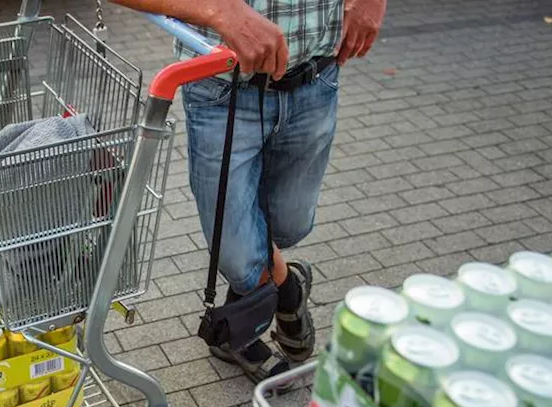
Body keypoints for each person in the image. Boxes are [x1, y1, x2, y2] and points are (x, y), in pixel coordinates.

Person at [111, 0, 388, 382]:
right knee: (241, 259)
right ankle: (285, 291)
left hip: (316, 76)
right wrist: (221, 12)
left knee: (289, 224)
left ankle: (252, 306)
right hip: (221, 89)